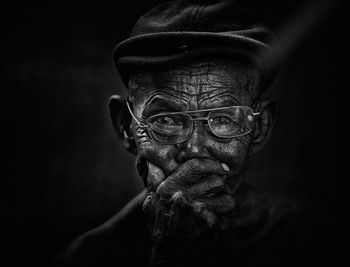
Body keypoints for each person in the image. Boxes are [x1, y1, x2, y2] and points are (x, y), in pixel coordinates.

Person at [55, 0, 326, 266]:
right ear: (126, 126)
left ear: (260, 128)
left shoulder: (312, 237)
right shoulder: (86, 258)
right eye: (167, 119)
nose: (195, 148)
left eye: (222, 119)